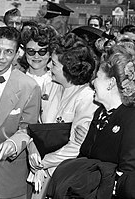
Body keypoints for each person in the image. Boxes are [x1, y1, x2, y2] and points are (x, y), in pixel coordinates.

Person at [47, 41, 135, 199]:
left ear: (111, 83)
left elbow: (128, 177)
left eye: (98, 77)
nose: (92, 82)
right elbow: (84, 159)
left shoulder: (130, 119)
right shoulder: (101, 113)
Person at [27, 33, 98, 198]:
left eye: (54, 64)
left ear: (70, 69)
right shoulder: (50, 86)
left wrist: (43, 163)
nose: (50, 68)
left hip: (65, 175)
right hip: (40, 171)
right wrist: (33, 150)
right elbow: (37, 128)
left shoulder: (86, 98)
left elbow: (76, 147)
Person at [0, 26, 41, 199]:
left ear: (17, 53)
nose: (0, 57)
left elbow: (28, 128)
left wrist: (14, 144)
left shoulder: (29, 86)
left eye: (8, 51)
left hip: (11, 176)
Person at [20, 22, 57, 89]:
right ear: (25, 51)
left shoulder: (56, 82)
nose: (36, 56)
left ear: (50, 53)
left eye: (42, 51)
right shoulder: (17, 79)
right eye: (31, 51)